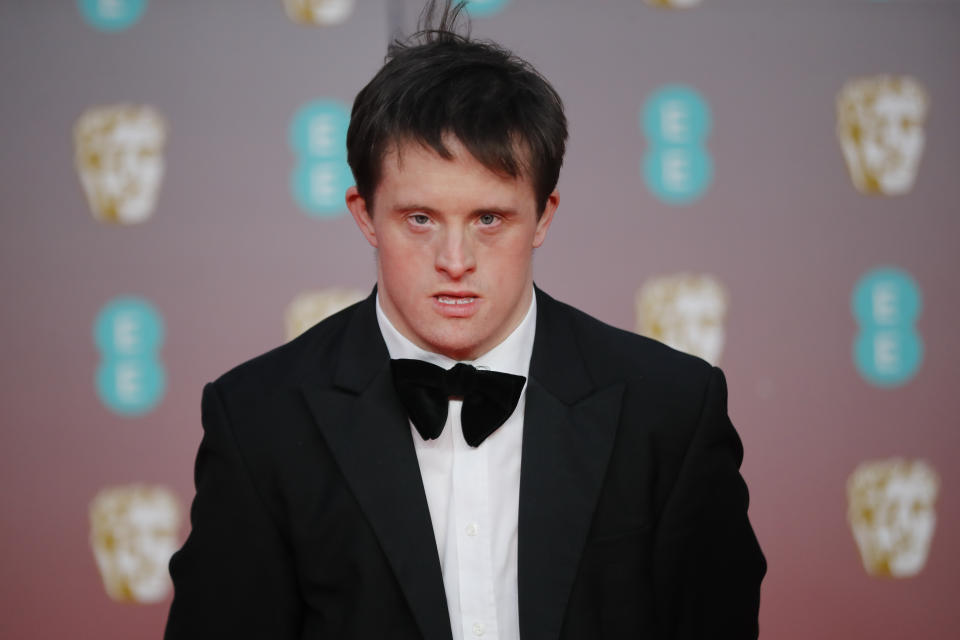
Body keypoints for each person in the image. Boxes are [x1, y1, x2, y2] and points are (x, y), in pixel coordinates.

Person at [164, 2, 765, 638]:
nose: (455, 261)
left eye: (489, 219)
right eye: (419, 219)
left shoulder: (669, 409)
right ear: (364, 214)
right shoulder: (261, 420)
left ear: (544, 215)